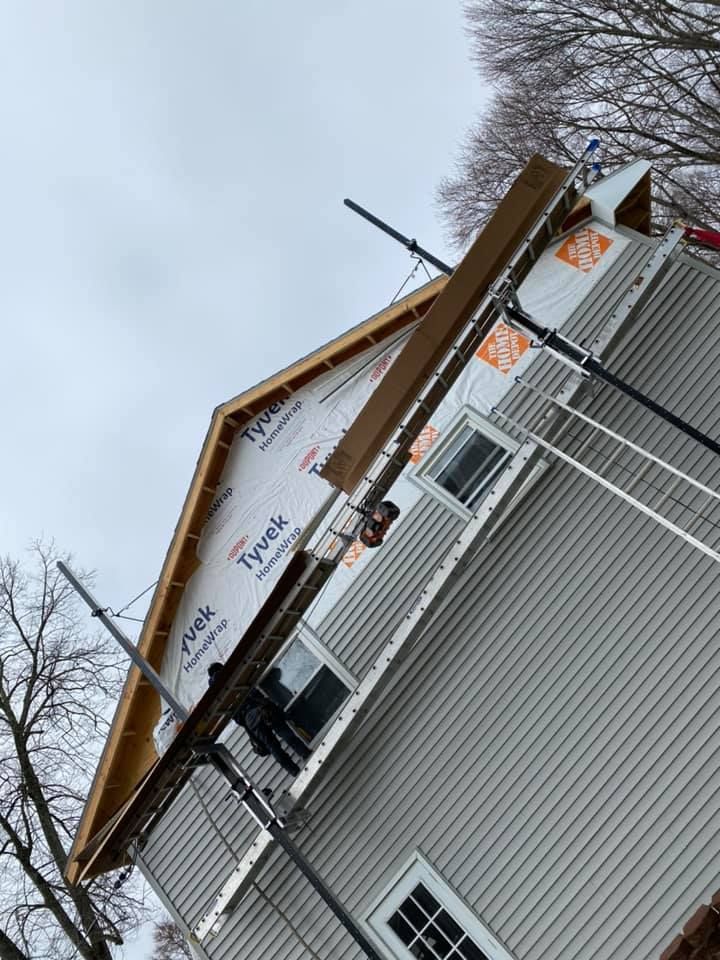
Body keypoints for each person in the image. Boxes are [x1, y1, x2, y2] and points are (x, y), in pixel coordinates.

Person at [207, 662, 311, 777]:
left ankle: (294, 771)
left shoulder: (218, 696)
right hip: (261, 708)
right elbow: (253, 690)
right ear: (221, 668)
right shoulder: (234, 673)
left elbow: (235, 717)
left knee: (273, 747)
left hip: (250, 721)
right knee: (284, 732)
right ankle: (305, 753)